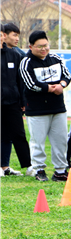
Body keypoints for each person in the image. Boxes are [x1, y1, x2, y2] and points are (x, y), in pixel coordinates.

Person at [18, 31, 71, 182]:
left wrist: (62, 85)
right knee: (37, 141)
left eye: (46, 45)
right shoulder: (26, 62)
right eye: (40, 46)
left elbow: (67, 75)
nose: (44, 49)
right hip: (36, 110)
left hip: (58, 108)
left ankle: (60, 170)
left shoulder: (55, 58)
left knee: (60, 140)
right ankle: (39, 169)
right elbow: (30, 84)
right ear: (31, 47)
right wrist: (49, 88)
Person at [1, 27, 31, 176]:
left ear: (3, 36)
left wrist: (23, 101)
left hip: (13, 102)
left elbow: (21, 81)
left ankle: (28, 166)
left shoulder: (14, 55)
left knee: (18, 134)